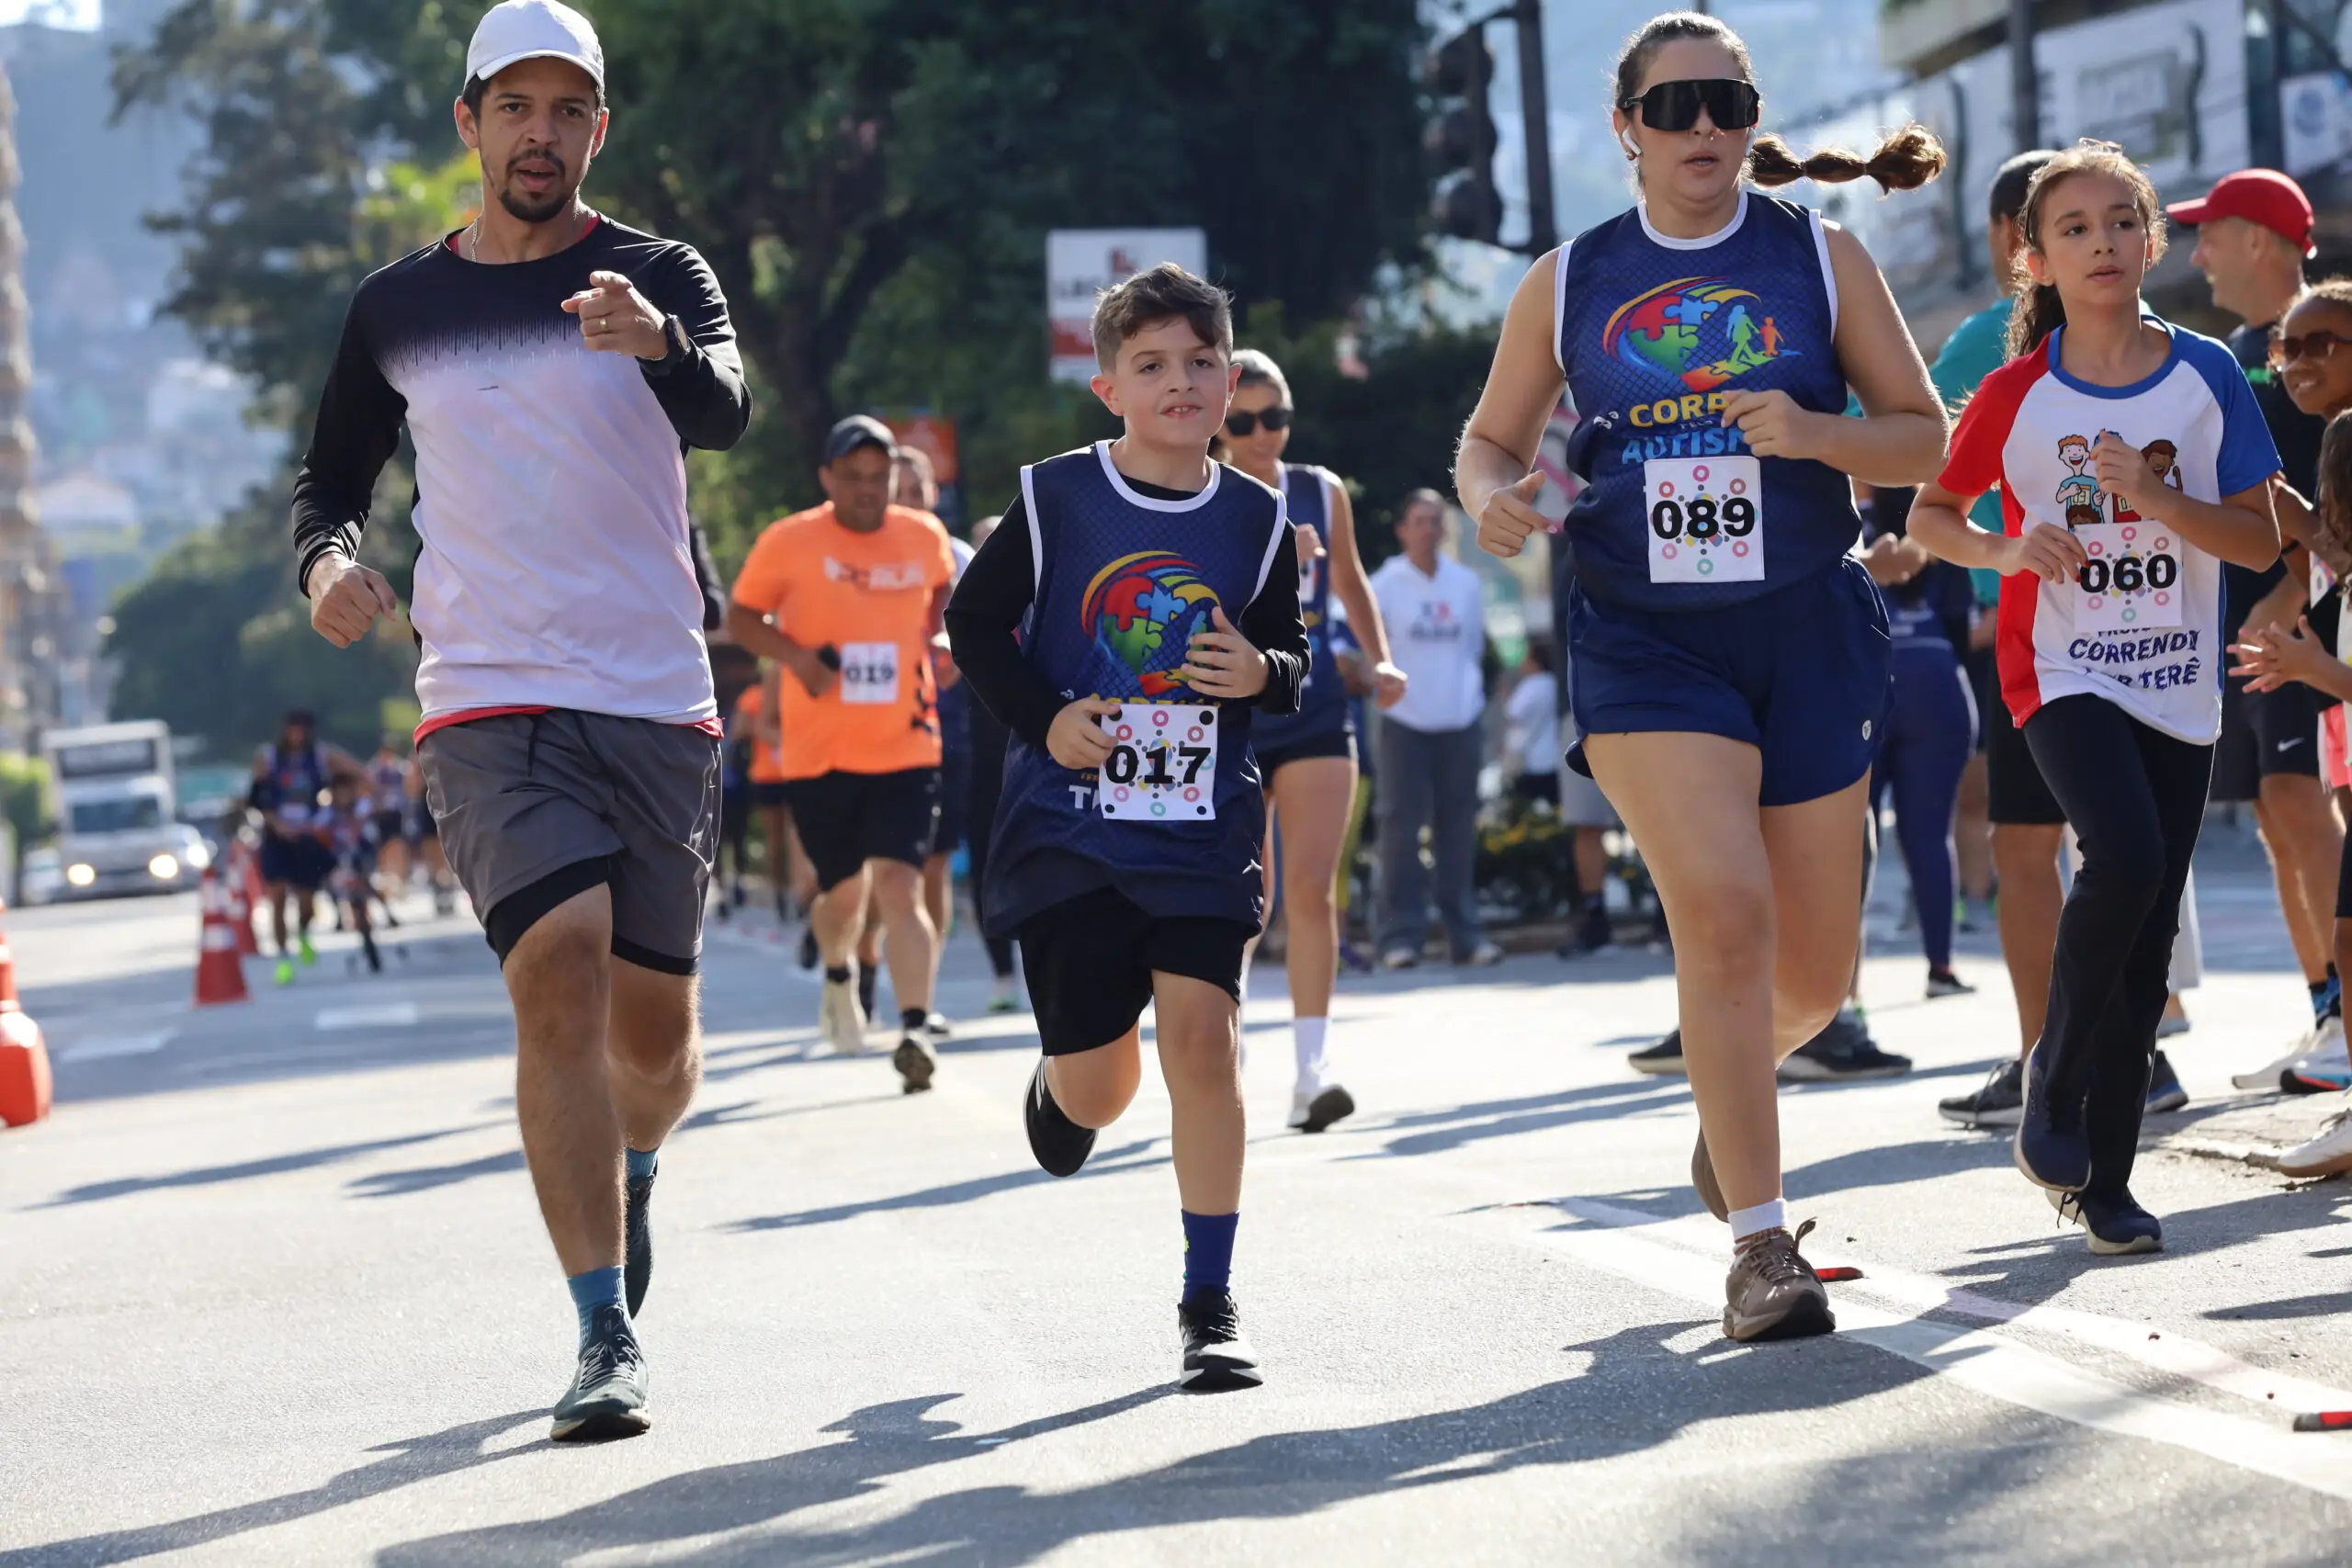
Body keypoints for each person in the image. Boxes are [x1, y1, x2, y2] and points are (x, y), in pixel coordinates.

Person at [296, 0, 752, 1440]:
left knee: (655, 1050)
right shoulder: (398, 306)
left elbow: (726, 412)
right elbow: (331, 481)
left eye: (567, 111)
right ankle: (602, 1327)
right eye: (514, 108)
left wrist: (659, 343)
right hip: (485, 694)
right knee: (557, 969)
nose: (539, 135)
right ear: (470, 122)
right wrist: (326, 567)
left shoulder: (659, 274)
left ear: (596, 130)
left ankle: (636, 1163)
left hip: (652, 693)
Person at [1461, 12, 1951, 1338]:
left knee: (1815, 979)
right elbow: (1491, 442)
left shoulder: (1820, 255)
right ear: (1626, 126)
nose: (1701, 128)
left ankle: (1732, 1116)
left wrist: (1813, 432)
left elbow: (1926, 436)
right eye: (1672, 106)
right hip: (1645, 633)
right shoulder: (1570, 278)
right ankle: (1758, 1245)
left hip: (1807, 623)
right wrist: (1495, 496)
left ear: (1750, 118)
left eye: (1724, 103)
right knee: (1724, 912)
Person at [1909, 141, 2280, 1254]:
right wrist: (2005, 549)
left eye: (2122, 221)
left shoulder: (2205, 374)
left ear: (2151, 240)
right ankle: (2052, 1078)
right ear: (2035, 260)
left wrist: (2158, 501)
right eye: (2073, 228)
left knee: (2149, 926)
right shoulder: (2014, 392)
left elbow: (2257, 538)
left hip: (2177, 675)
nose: (2102, 242)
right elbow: (1931, 516)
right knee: (2120, 854)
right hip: (2060, 667)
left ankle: (2103, 1181)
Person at [944, 263, 1308, 1390]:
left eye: (1201, 361)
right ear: (1109, 388)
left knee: (1203, 1040)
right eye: (1151, 365)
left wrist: (1261, 670)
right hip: (1071, 829)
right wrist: (1046, 720)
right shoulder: (1056, 497)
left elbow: (1288, 659)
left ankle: (1210, 1301)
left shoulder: (1257, 519)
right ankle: (1061, 1087)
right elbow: (973, 623)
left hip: (1201, 826)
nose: (1180, 383)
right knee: (1103, 1090)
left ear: (1229, 377)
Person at [2170, 168, 2344, 1065]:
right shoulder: (2228, 352)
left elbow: (2327, 502)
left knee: (2307, 800)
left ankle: (2345, 1019)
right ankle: (2325, 1013)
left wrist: (2295, 587)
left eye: (2209, 232)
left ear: (2258, 240)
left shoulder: (2330, 340)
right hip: (2236, 623)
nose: (2196, 253)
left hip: (2306, 623)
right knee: (2278, 814)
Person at [725, 415, 956, 1087]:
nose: (867, 489)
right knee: (842, 894)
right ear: (827, 478)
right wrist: (798, 659)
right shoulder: (789, 541)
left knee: (901, 885)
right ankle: (836, 969)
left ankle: (915, 1028)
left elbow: (942, 593)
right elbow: (741, 617)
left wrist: (942, 641)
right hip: (819, 753)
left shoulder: (923, 536)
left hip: (907, 743)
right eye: (853, 477)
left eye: (878, 477)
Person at [1218, 349, 1407, 1134]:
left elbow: (1352, 580)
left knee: (1312, 889)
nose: (1262, 434)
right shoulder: (1199, 490)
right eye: (1244, 421)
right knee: (1241, 898)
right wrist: (1269, 560)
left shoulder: (1321, 489)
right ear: (1219, 426)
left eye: (1276, 417)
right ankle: (1220, 1053)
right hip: (1230, 707)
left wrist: (1380, 656)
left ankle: (1311, 1068)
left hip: (1316, 700)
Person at [2232, 280, 2352, 1096]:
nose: (2296, 362)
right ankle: (2333, 1022)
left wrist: (2294, 518)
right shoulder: (2333, 436)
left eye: (2321, 344)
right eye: (2286, 348)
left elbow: (2344, 558)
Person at [1370, 491, 1501, 970]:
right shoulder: (1383, 583)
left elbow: (1473, 649)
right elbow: (1368, 652)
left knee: (1458, 829)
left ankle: (1466, 936)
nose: (1428, 529)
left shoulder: (1465, 583)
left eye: (1435, 521)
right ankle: (1399, 938)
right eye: (1419, 521)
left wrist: (1470, 699)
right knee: (1399, 829)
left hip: (1460, 720)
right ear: (1402, 530)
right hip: (1404, 722)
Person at [1866, 517, 1979, 998]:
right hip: (1939, 685)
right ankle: (1941, 968)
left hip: (1867, 683)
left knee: (1848, 841)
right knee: (1931, 838)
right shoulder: (1937, 524)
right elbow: (1964, 624)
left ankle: (1842, 992)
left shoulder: (1841, 515)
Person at [895, 444, 964, 1042]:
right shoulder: (857, 554)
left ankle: (924, 996)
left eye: (916, 492)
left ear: (933, 494)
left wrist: (956, 657)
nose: (908, 503)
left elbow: (987, 629)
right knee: (888, 868)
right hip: (873, 730)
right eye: (899, 494)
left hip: (944, 725)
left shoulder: (957, 556)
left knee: (935, 862)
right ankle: (864, 968)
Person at [249, 710, 367, 987]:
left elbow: (359, 773)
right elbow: (257, 796)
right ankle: (283, 959)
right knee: (277, 897)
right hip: (277, 835)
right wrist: (276, 824)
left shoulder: (321, 756)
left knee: (306, 903)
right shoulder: (269, 757)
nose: (296, 735)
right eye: (292, 729)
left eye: (301, 730)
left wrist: (348, 805)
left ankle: (302, 933)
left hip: (309, 835)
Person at [960, 514, 1023, 1013]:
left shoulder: (1052, 604)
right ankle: (1002, 972)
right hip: (980, 767)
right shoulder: (963, 618)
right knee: (987, 864)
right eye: (984, 546)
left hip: (1047, 751)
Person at [1503, 645, 1560, 807]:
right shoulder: (1554, 683)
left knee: (1532, 807)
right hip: (1554, 754)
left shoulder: (1532, 685)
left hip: (1533, 758)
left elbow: (1514, 711)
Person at [366, 737, 413, 899]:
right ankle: (386, 881)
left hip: (397, 813)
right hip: (381, 813)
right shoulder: (374, 770)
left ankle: (401, 880)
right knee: (383, 848)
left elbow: (408, 790)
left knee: (398, 845)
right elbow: (369, 790)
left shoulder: (401, 769)